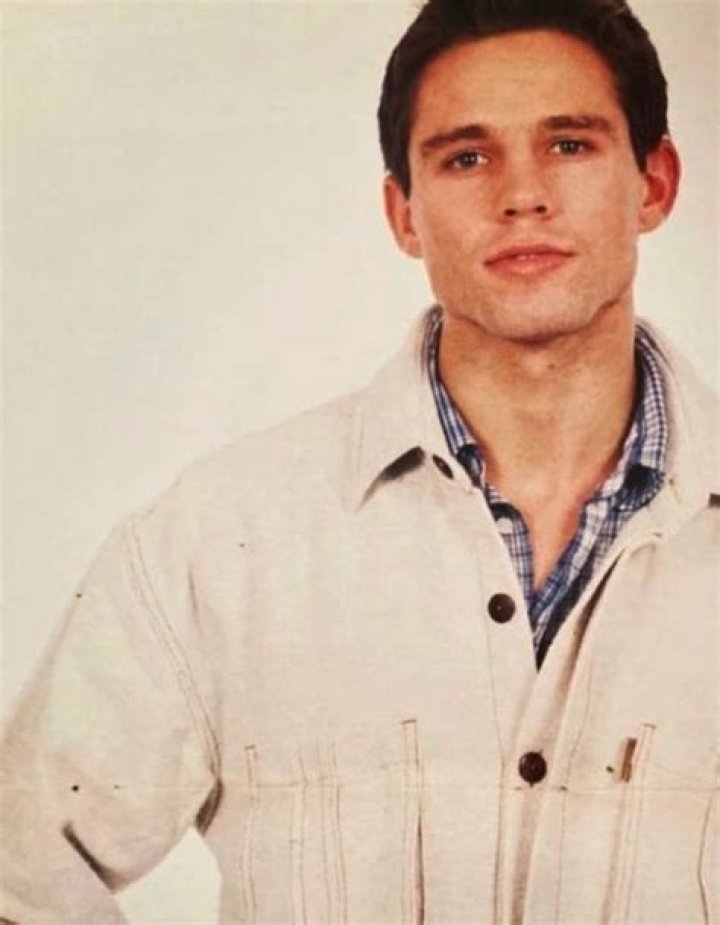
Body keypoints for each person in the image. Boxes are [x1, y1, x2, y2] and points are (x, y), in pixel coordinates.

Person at [1, 0, 717, 922]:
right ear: (403, 212)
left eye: (569, 144)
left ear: (654, 183)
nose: (522, 195)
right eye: (466, 157)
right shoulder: (224, 538)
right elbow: (19, 866)